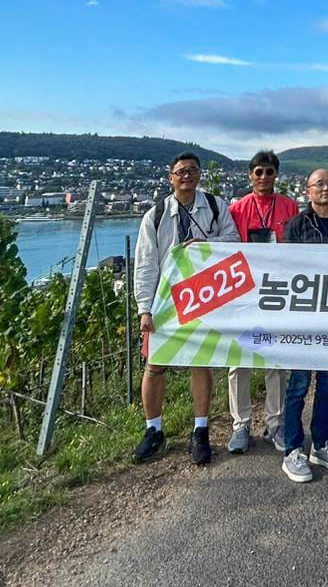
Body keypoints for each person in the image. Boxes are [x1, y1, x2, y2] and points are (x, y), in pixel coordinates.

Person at [131, 152, 241, 465]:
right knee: (155, 365)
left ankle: (200, 430)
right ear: (171, 177)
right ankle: (153, 429)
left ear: (200, 174)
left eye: (192, 170)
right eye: (181, 171)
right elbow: (146, 264)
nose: (187, 175)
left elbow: (232, 241)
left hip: (204, 297)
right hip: (165, 302)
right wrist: (144, 308)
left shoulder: (216, 206)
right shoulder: (155, 215)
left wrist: (205, 246)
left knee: (199, 362)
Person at [277, 168, 328, 481]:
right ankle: (292, 449)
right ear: (308, 191)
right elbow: (284, 269)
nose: (325, 187)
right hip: (304, 319)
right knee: (298, 385)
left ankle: (320, 443)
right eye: (319, 183)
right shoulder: (296, 225)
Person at [225, 150, 299, 455]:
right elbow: (223, 247)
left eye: (269, 171)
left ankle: (274, 423)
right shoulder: (237, 209)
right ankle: (241, 424)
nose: (264, 177)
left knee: (275, 360)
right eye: (259, 172)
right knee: (238, 361)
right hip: (244, 295)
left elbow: (298, 248)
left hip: (277, 293)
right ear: (250, 175)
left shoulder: (289, 206)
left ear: (276, 175)